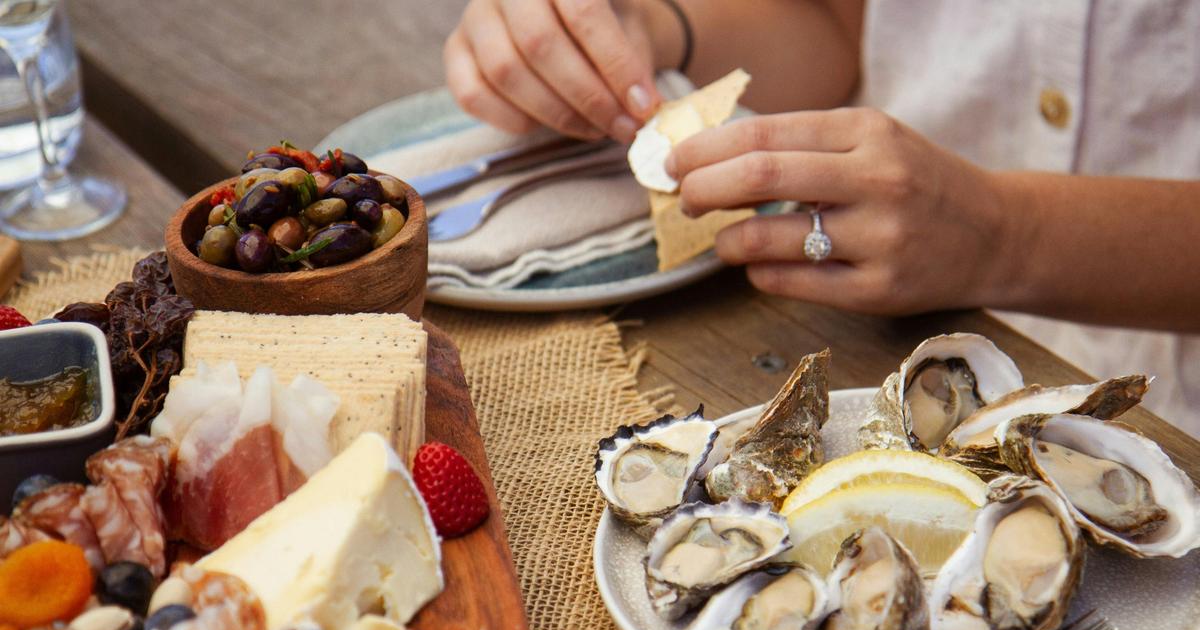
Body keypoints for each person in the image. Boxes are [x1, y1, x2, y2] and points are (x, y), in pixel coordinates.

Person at [444, 0, 1200, 436]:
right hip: (861, 347)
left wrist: (1008, 235)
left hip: (1170, 410)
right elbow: (834, 29)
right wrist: (652, 26)